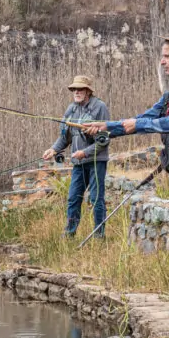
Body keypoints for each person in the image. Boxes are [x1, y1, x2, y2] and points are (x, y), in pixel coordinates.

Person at [80, 29, 169, 319]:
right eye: (162, 56)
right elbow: (146, 117)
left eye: (166, 56)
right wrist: (107, 127)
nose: (162, 62)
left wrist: (135, 125)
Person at [42, 75, 110, 239]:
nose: (76, 92)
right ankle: (70, 232)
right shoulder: (70, 109)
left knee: (96, 199)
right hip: (78, 163)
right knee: (73, 198)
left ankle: (98, 235)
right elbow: (65, 137)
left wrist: (84, 153)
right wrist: (53, 149)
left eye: (80, 89)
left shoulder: (99, 107)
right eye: (74, 89)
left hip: (95, 161)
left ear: (88, 91)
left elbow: (104, 140)